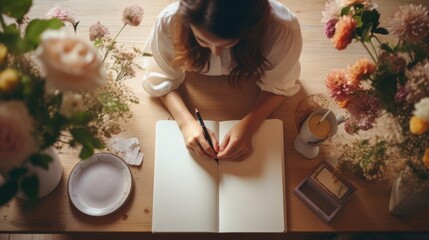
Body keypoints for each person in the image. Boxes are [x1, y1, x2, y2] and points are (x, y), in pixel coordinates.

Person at [142, 0, 302, 161]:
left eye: (229, 43)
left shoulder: (281, 29)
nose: (216, 52)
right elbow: (160, 76)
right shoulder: (170, 21)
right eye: (203, 40)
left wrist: (249, 127)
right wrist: (186, 123)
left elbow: (281, 84)